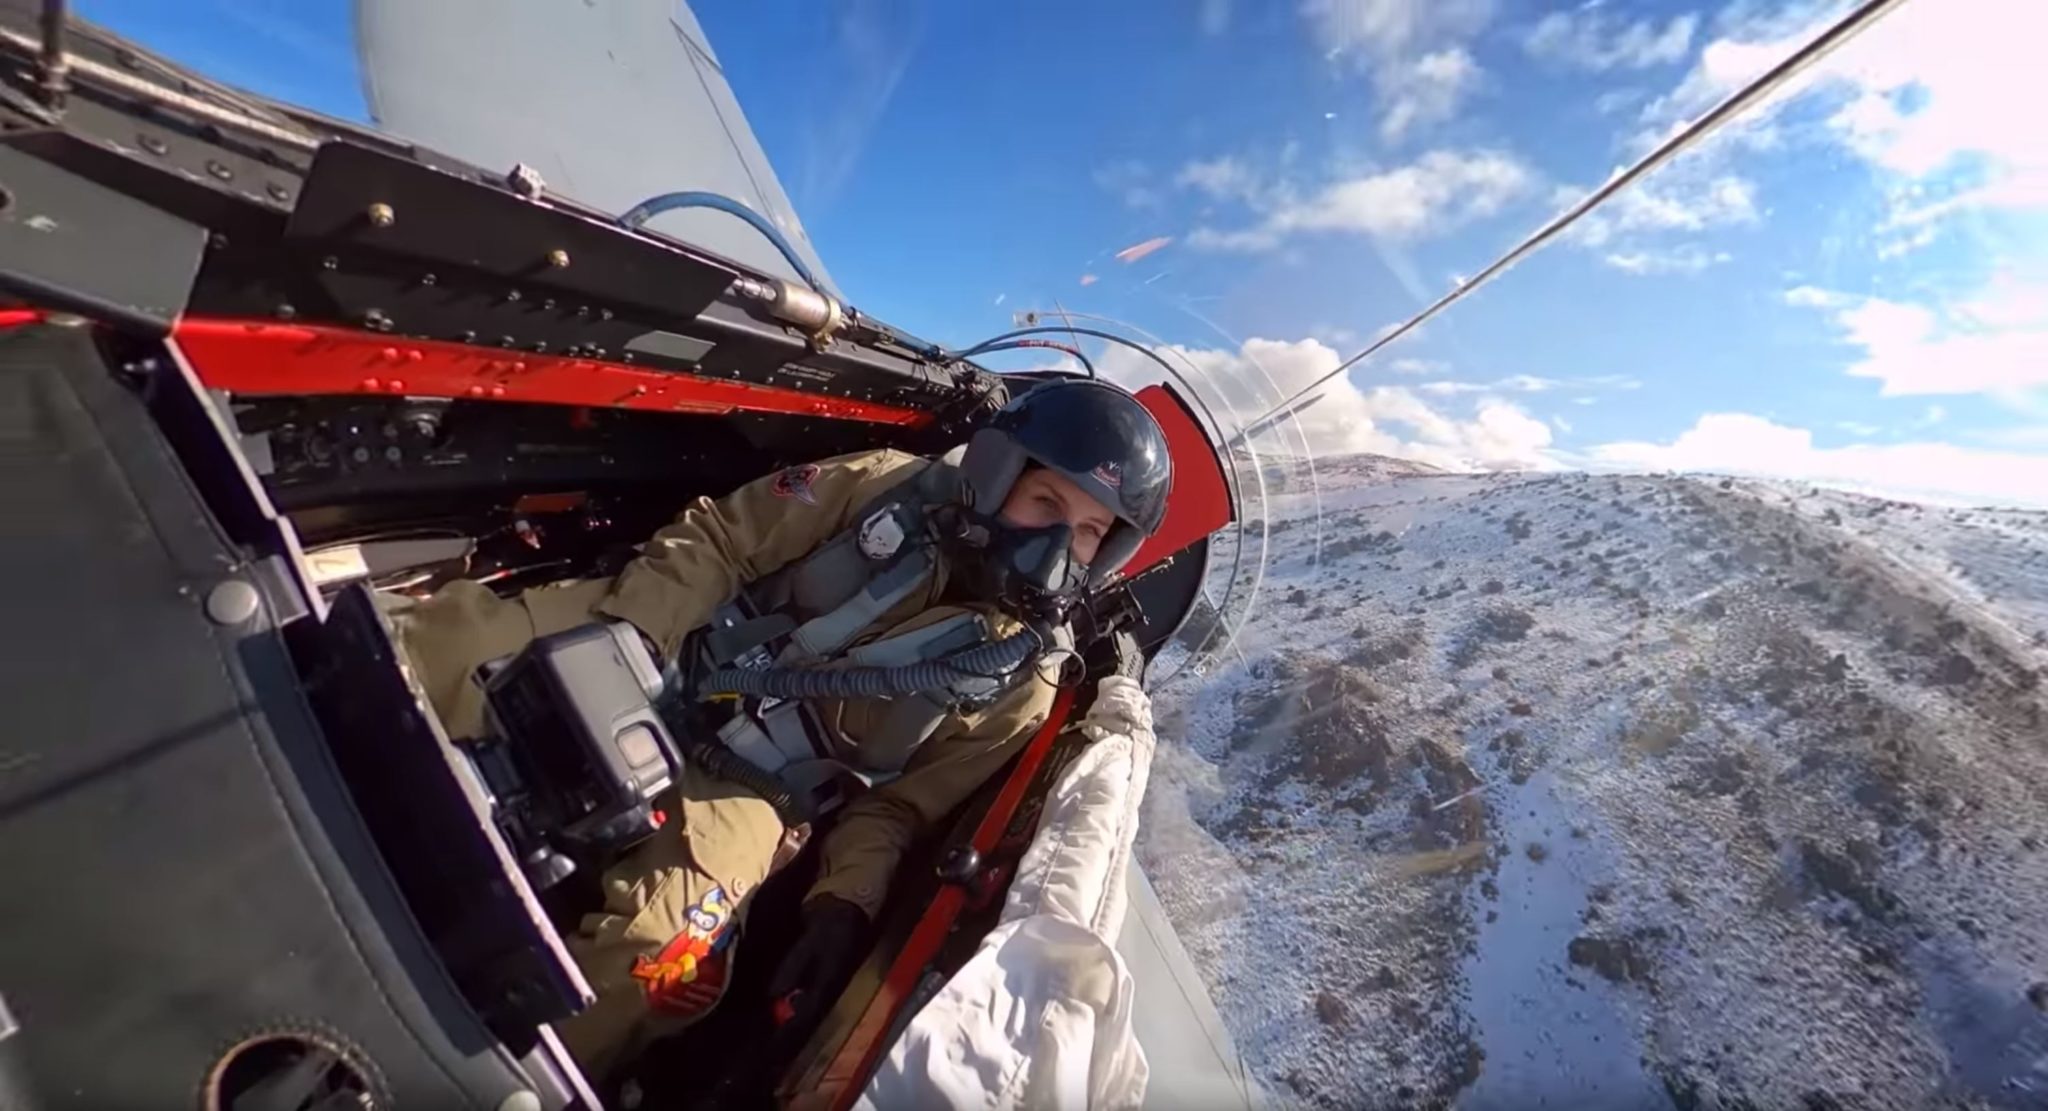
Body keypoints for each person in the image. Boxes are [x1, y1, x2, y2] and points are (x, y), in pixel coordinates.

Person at [387, 379, 1172, 1076]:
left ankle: (473, 1080)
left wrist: (844, 901)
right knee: (440, 647)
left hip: (755, 785)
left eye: (1087, 530)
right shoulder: (884, 488)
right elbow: (722, 538)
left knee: (662, 961)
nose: (1057, 543)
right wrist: (636, 637)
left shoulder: (1018, 684)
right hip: (670, 642)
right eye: (1046, 502)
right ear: (998, 474)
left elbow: (895, 806)